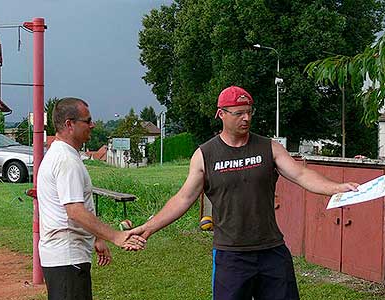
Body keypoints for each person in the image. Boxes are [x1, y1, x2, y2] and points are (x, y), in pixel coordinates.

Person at [128, 86, 359, 300]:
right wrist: (148, 229)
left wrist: (336, 188)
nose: (246, 118)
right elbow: (183, 198)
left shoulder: (269, 147)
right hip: (231, 256)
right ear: (221, 114)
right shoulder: (205, 155)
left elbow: (300, 174)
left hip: (272, 251)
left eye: (249, 112)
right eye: (239, 113)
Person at [37, 97, 145, 300]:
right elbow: (75, 211)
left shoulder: (64, 154)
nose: (92, 125)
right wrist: (116, 236)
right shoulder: (66, 160)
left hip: (66, 257)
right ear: (69, 124)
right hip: (67, 257)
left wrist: (97, 238)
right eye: (87, 121)